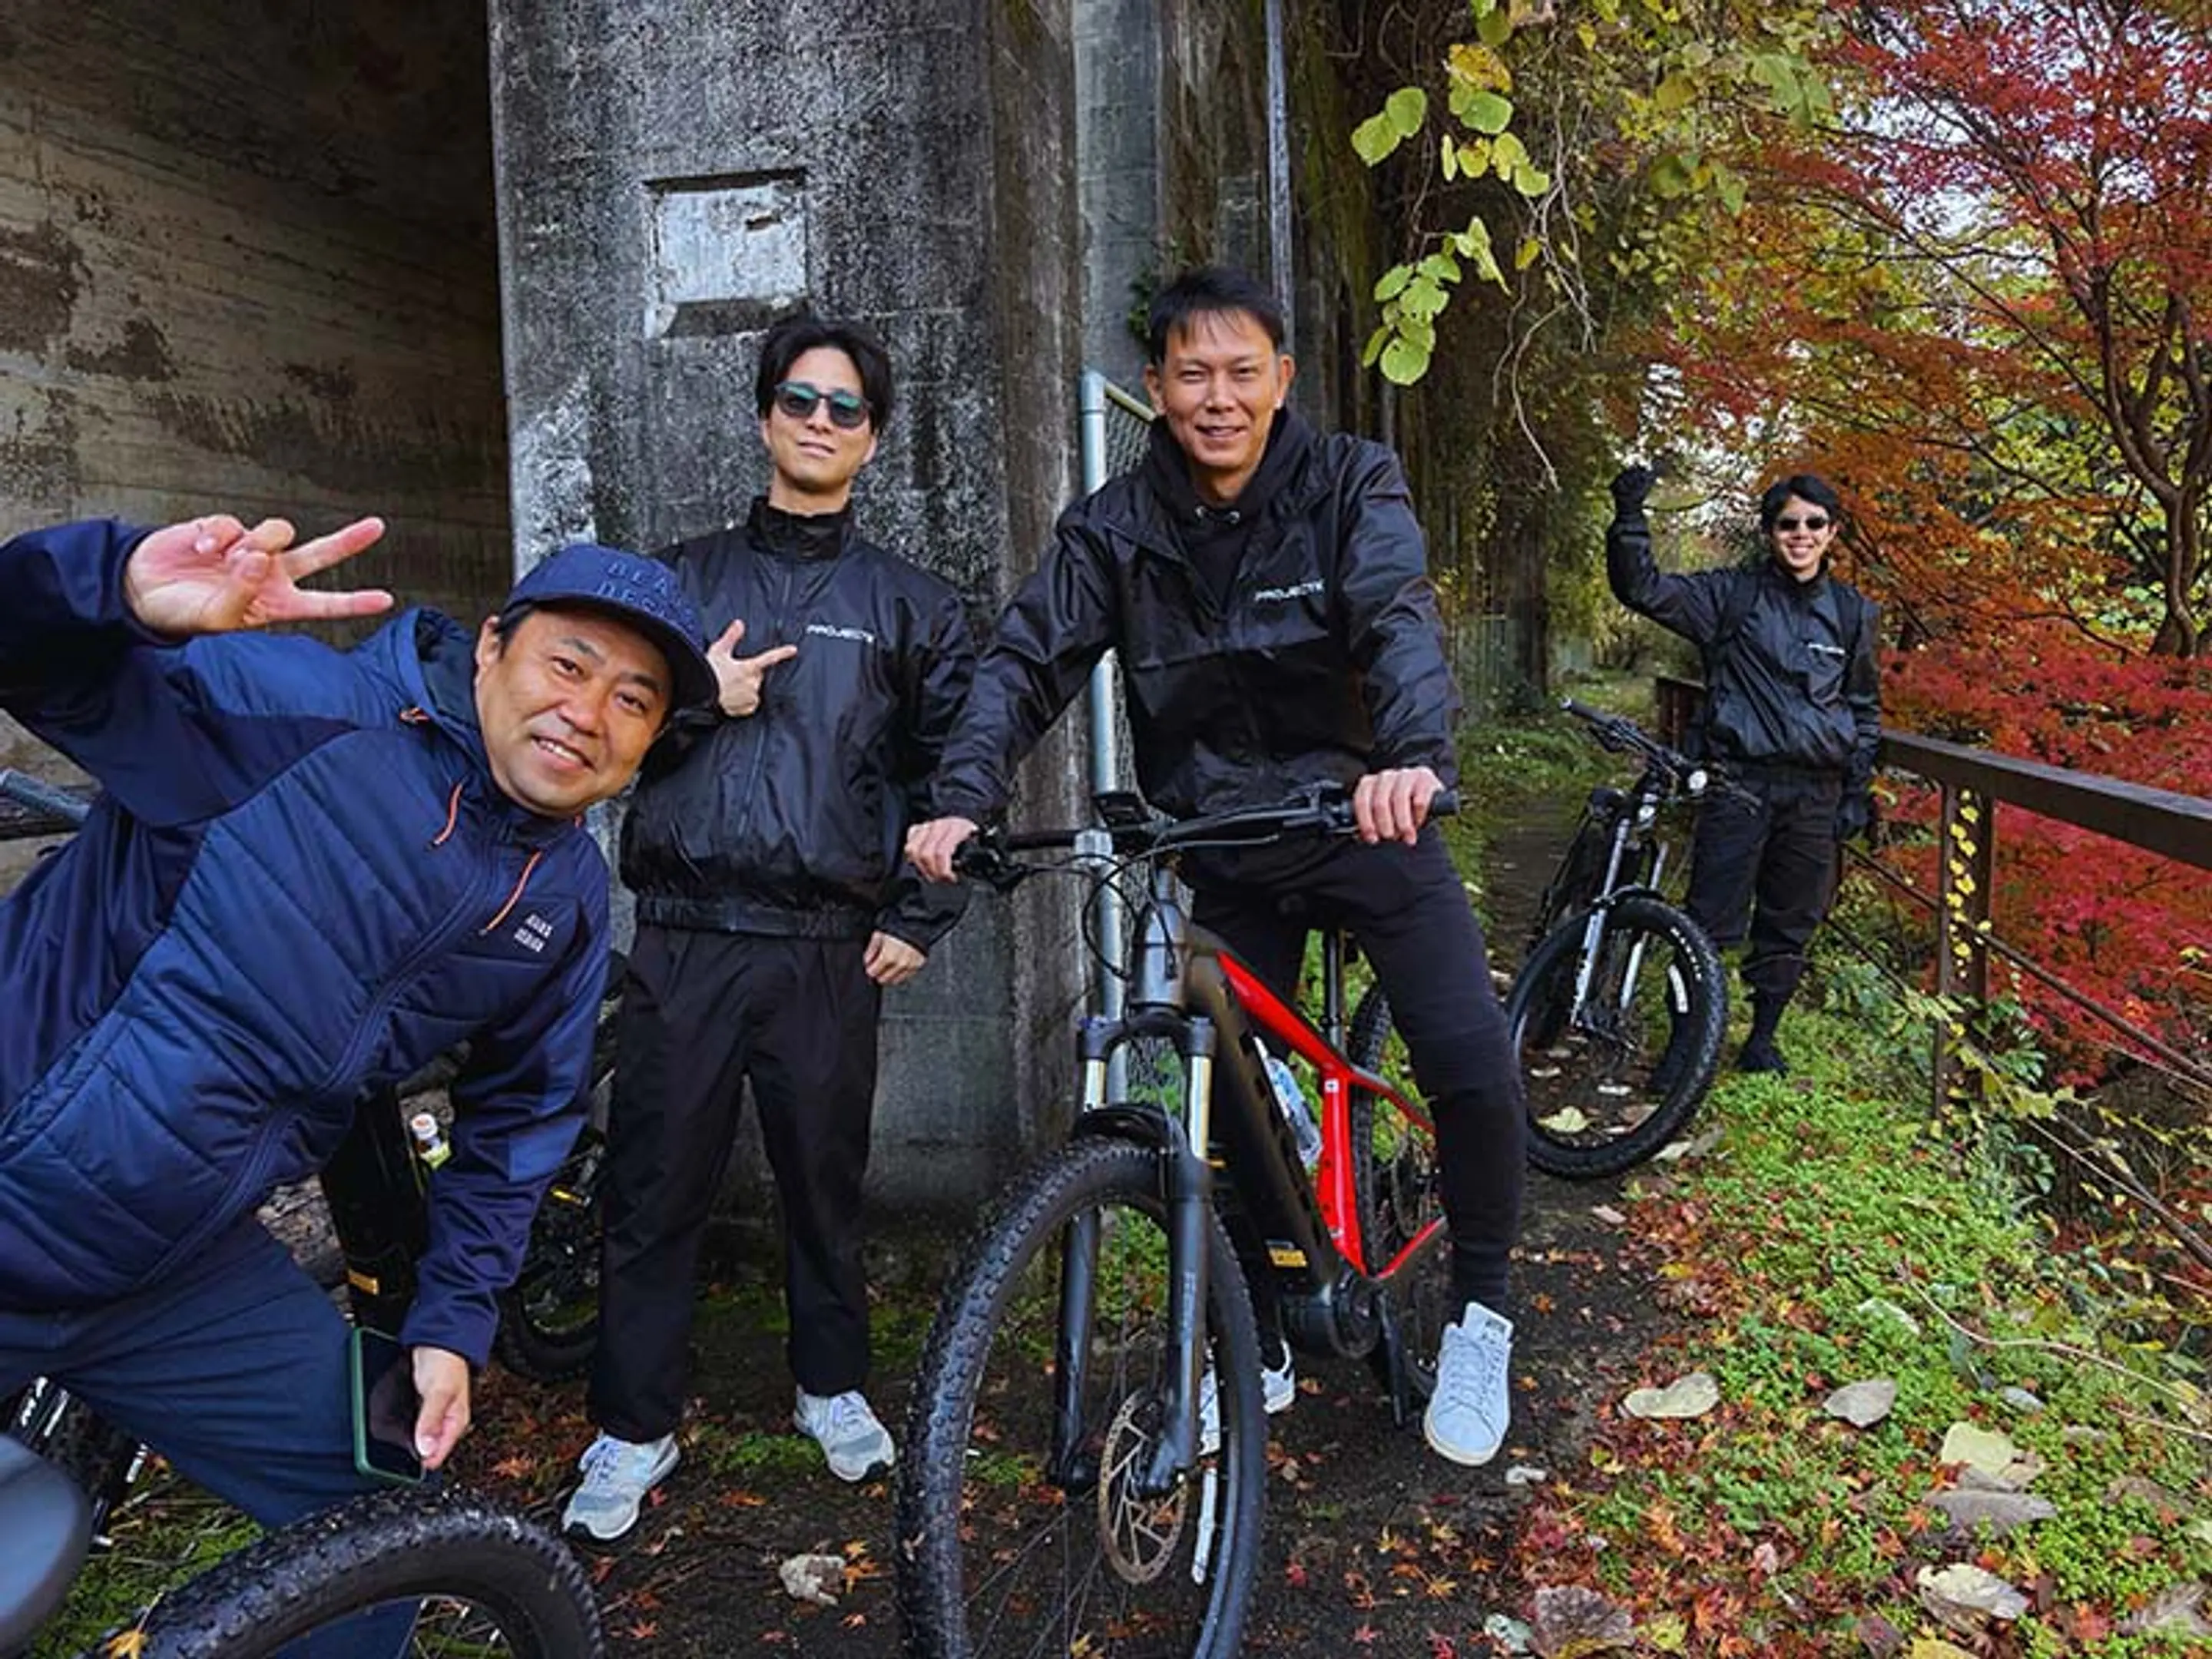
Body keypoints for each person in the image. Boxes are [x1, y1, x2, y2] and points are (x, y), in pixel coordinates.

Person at [0, 512, 713, 1653]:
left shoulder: (563, 898)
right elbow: (24, 651)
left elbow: (523, 1117)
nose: (588, 712)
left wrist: (451, 1325)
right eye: (567, 665)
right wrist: (113, 588)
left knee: (380, 1529)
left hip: (171, 1269)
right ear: (491, 649)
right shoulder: (295, 711)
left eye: (634, 700)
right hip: (13, 1189)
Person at [906, 265, 1526, 1469]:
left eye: (1244, 372)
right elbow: (1025, 661)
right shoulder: (1113, 529)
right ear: (1156, 388)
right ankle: (1263, 1327)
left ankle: (1483, 1309)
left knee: (1468, 1054)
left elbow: (1396, 614)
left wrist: (1408, 758)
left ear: (1281, 379)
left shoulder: (1351, 484)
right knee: (1225, 1094)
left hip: (1365, 818)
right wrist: (959, 800)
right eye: (1193, 374)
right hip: (1220, 842)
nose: (1219, 397)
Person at [560, 316, 975, 1544]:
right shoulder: (672, 584)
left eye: (844, 407)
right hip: (684, 930)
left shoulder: (913, 607)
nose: (818, 421)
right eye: (797, 399)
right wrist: (701, 697)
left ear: (873, 441)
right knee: (651, 1185)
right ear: (762, 417)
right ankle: (633, 1425)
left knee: (823, 1180)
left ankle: (831, 1384)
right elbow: (598, 734)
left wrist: (924, 911)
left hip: (824, 948)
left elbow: (959, 768)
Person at [1605, 465, 1882, 1073]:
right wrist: (1629, 519)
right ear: (1768, 532)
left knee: (1791, 922)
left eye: (1814, 524)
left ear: (1833, 532)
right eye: (1788, 524)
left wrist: (1858, 792)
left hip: (1816, 793)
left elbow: (1862, 707)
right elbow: (1643, 589)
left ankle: (1762, 1041)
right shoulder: (1729, 596)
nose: (1801, 534)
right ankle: (1686, 1046)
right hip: (1739, 784)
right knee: (1706, 921)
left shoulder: (1854, 613)